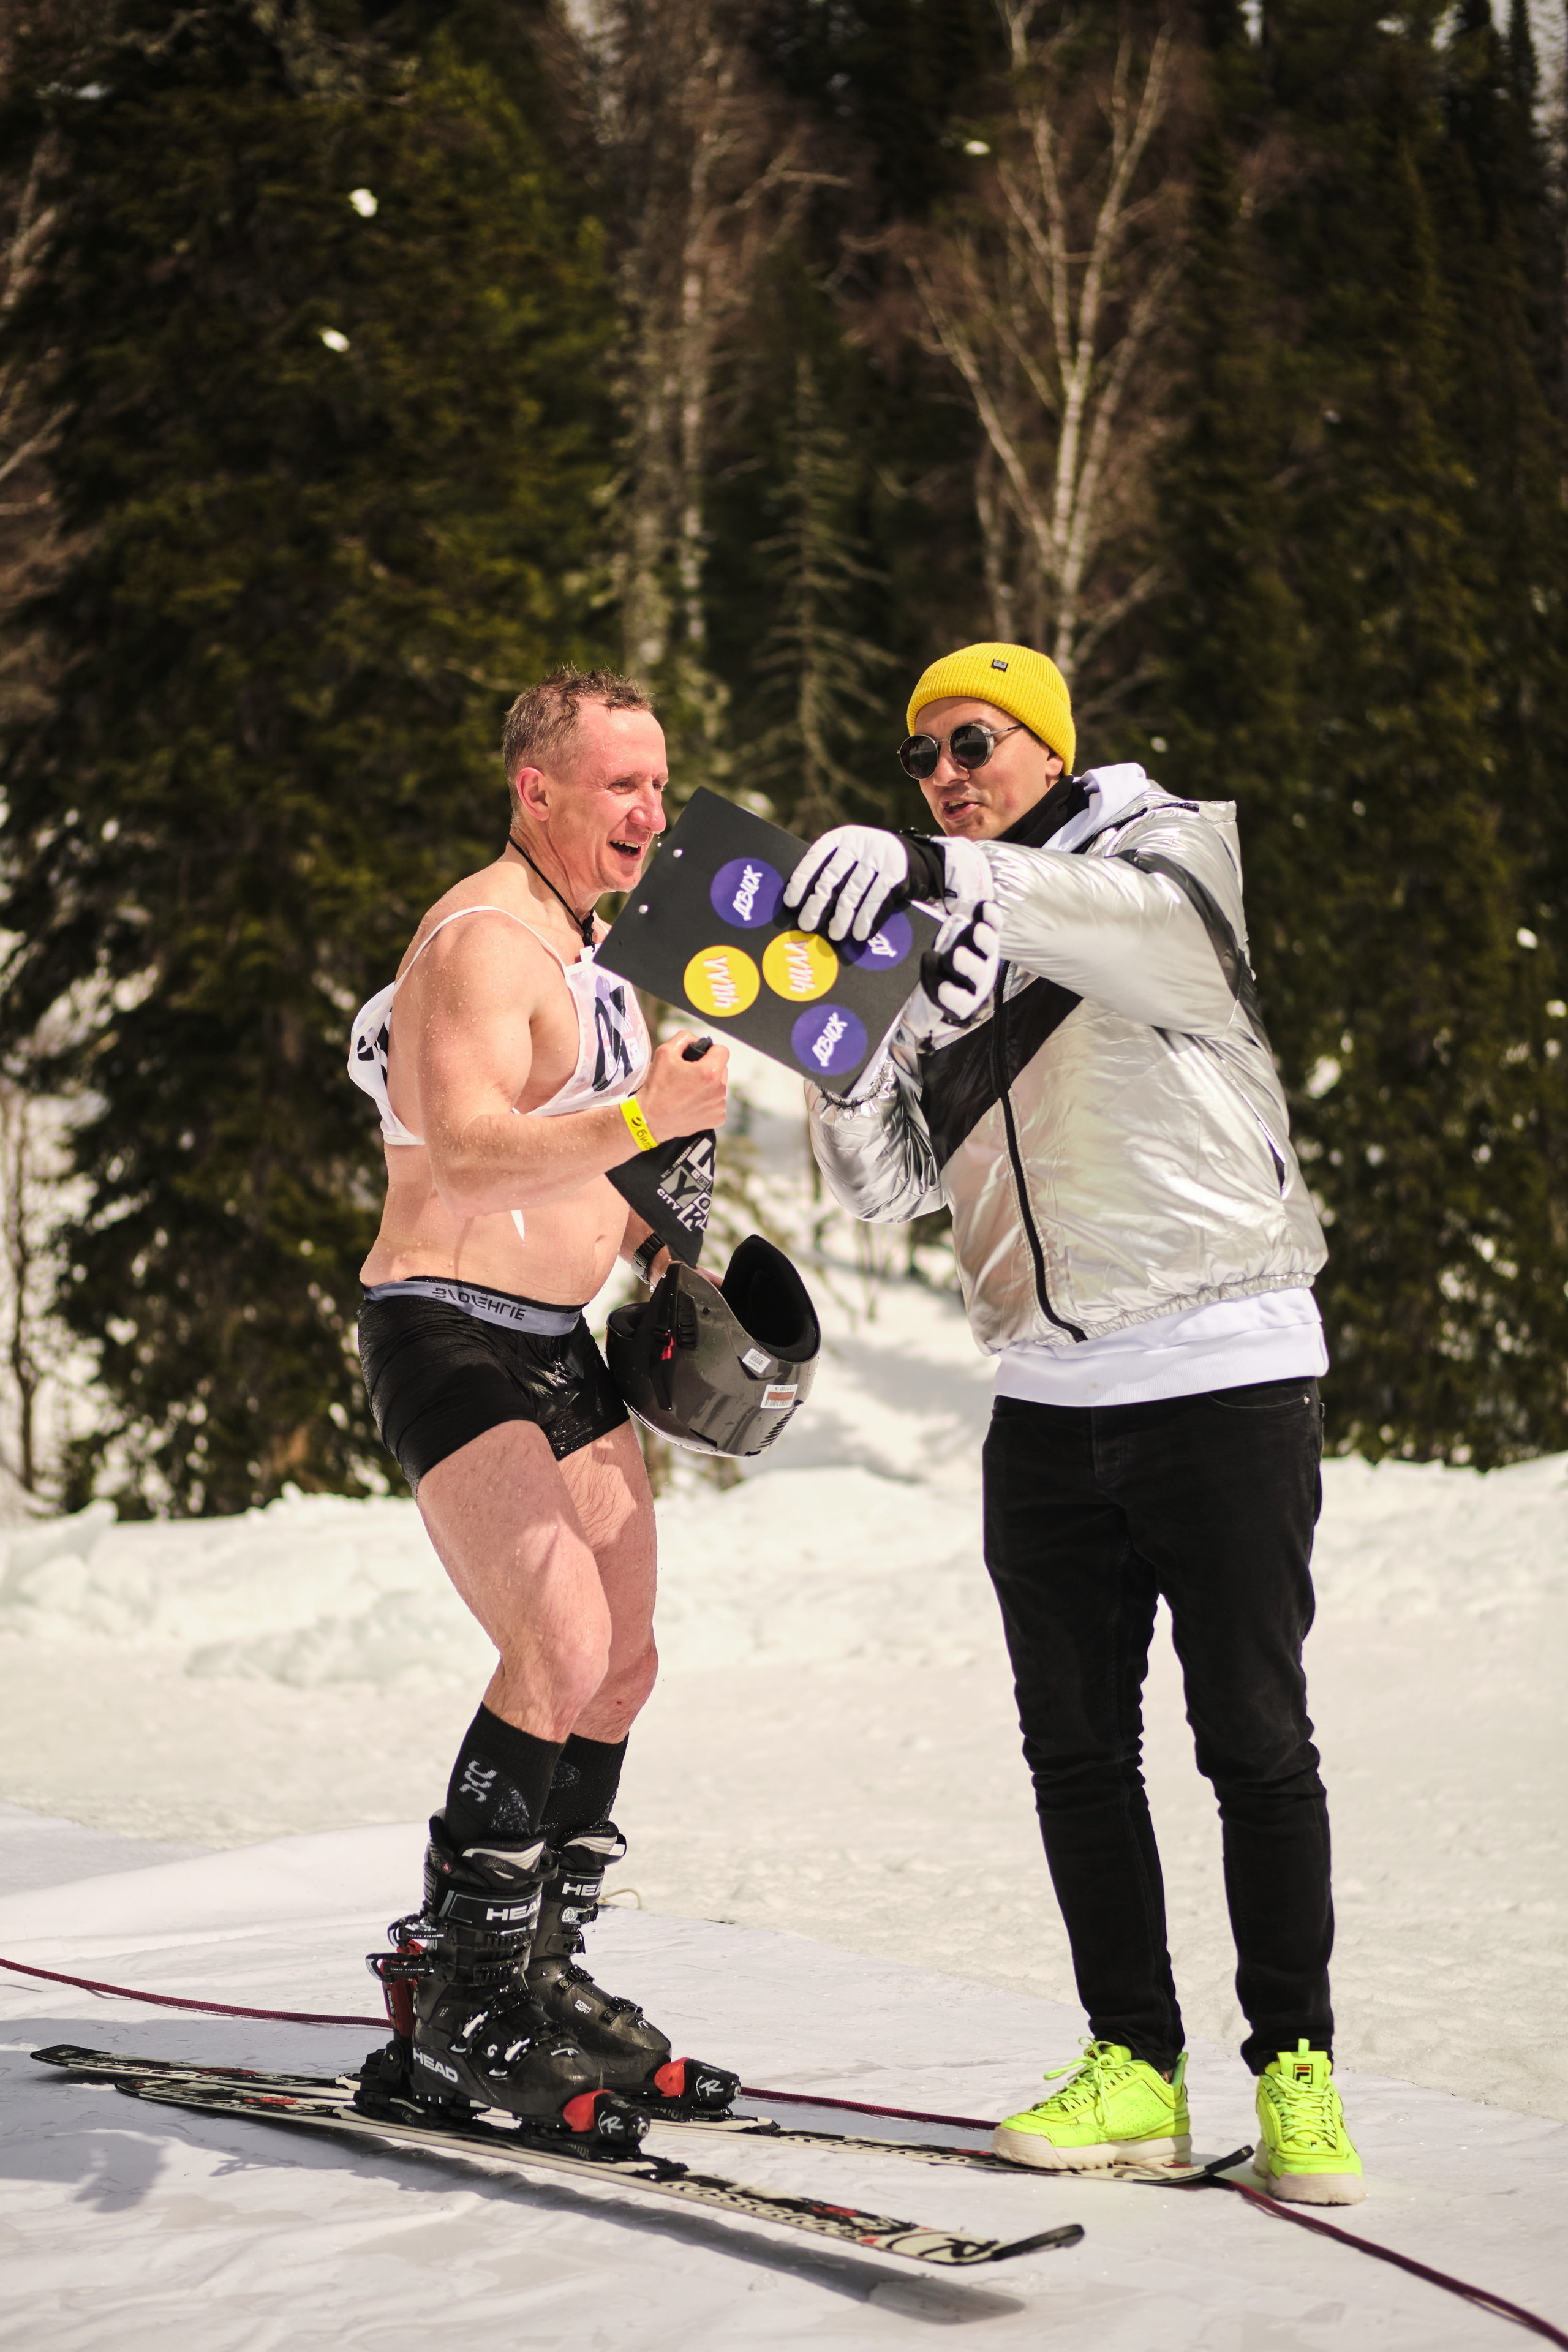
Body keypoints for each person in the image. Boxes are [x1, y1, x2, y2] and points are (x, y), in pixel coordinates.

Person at [784, 640, 1365, 2206]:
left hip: (1221, 1360)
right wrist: (849, 1056)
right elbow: (893, 1182)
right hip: (1042, 1391)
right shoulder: (939, 917)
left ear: (1047, 745)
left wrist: (938, 875)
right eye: (919, 761)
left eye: (973, 745)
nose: (947, 775)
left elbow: (1141, 937)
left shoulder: (1163, 850)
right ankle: (1133, 2068)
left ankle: (1294, 2072)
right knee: (1071, 1753)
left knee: (1250, 1735)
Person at [347, 665, 734, 2132]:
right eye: (622, 786)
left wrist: (674, 1254)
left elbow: (604, 1168)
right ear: (538, 792)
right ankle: (457, 2004)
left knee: (619, 1665)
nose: (652, 811)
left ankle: (544, 1975)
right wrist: (648, 1114)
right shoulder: (479, 942)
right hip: (442, 1325)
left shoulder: (600, 954)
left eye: (658, 782)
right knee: (554, 1639)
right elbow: (464, 1152)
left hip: (558, 1337)